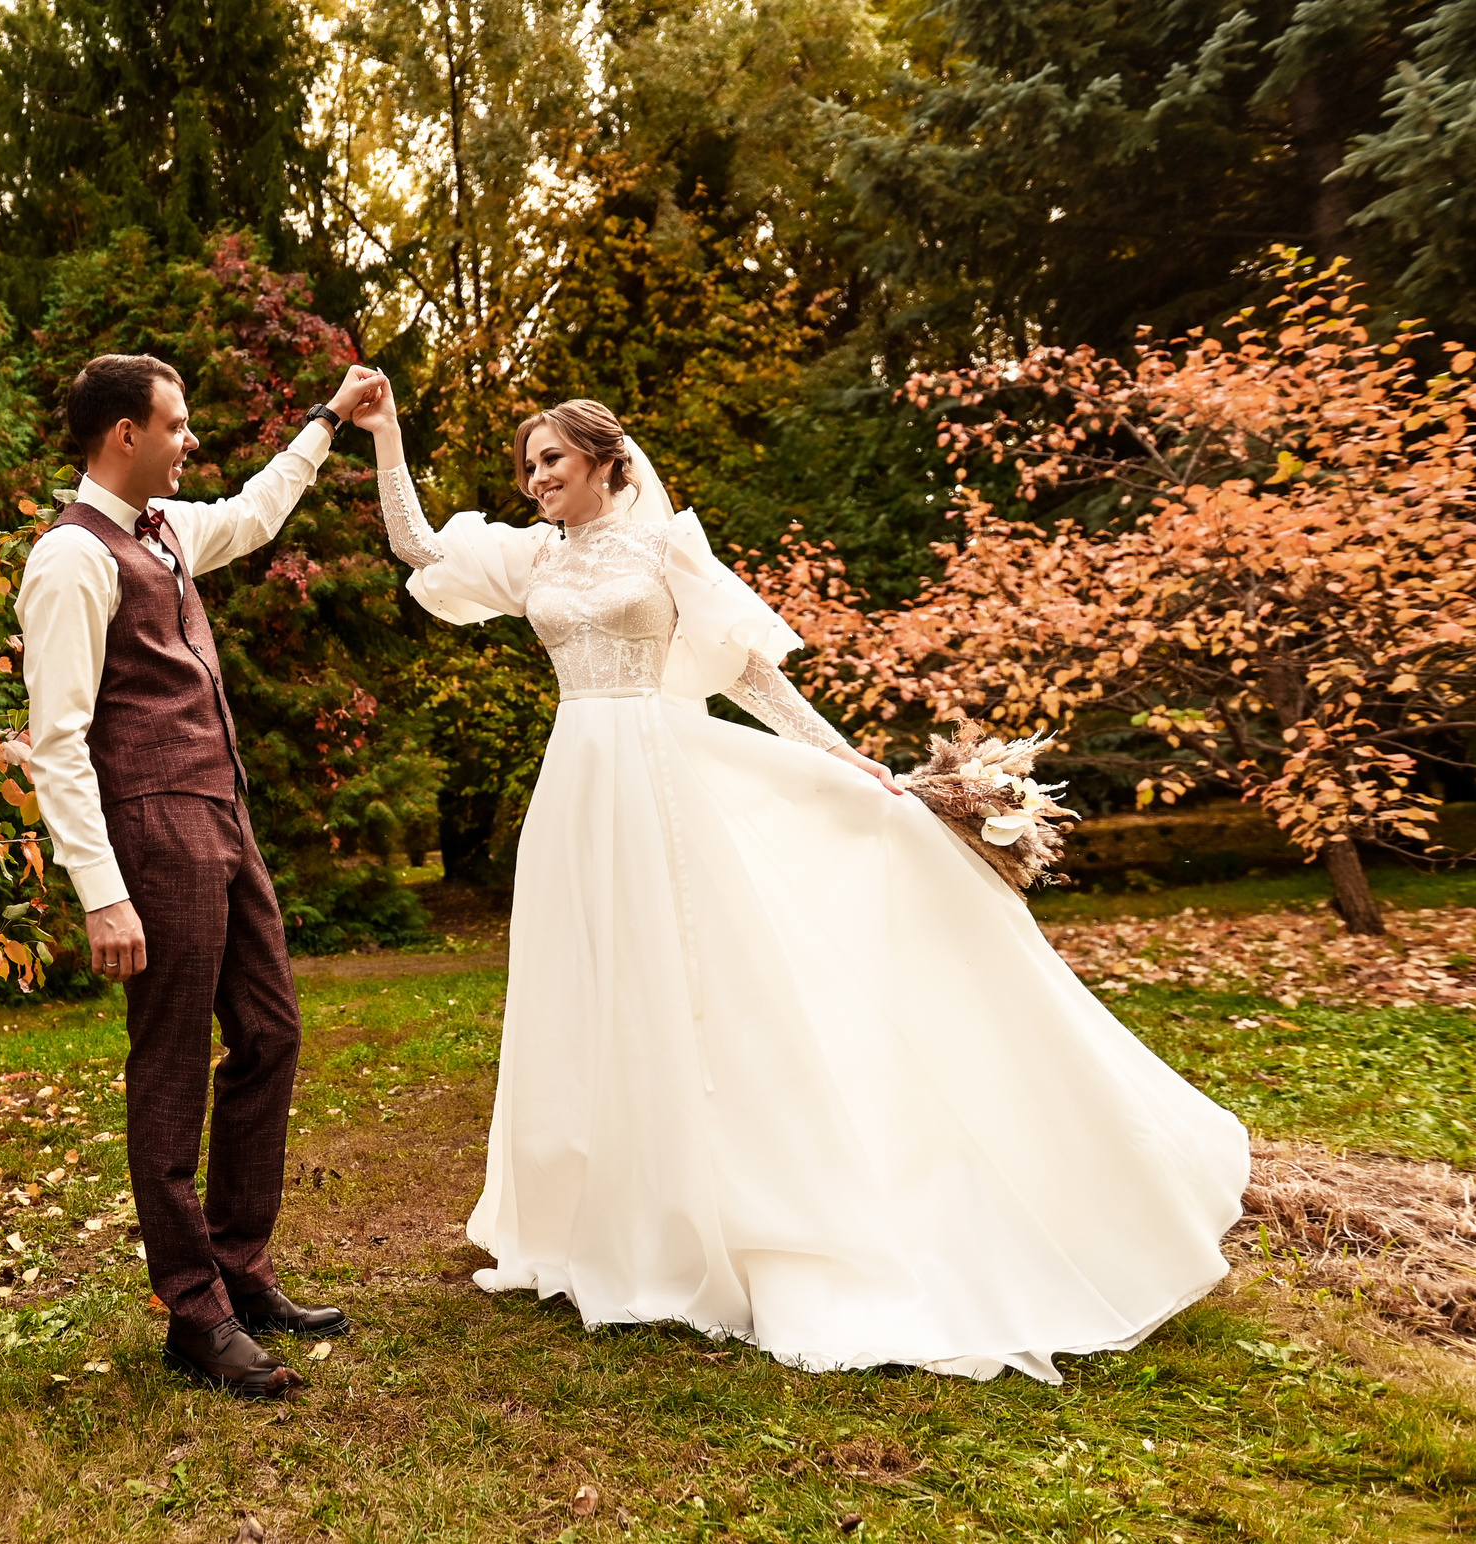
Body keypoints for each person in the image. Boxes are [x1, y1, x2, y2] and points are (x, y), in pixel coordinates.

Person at [349, 391, 1249, 1382]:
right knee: (592, 990)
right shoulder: (534, 557)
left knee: (689, 986)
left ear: (608, 462)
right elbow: (419, 549)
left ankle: (728, 1213)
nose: (536, 479)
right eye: (527, 467)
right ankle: (607, 1223)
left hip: (658, 773)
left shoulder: (663, 552)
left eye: (553, 459)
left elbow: (747, 676)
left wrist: (846, 758)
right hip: (576, 787)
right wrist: (386, 433)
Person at [17, 353, 388, 1396]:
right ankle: (193, 1311)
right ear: (120, 435)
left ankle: (239, 1267)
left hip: (223, 815)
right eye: (174, 425)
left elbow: (259, 510)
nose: (190, 441)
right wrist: (101, 888)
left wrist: (327, 417)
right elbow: (58, 739)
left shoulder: (169, 534)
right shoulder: (71, 559)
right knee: (172, 1068)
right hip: (152, 828)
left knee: (270, 1031)